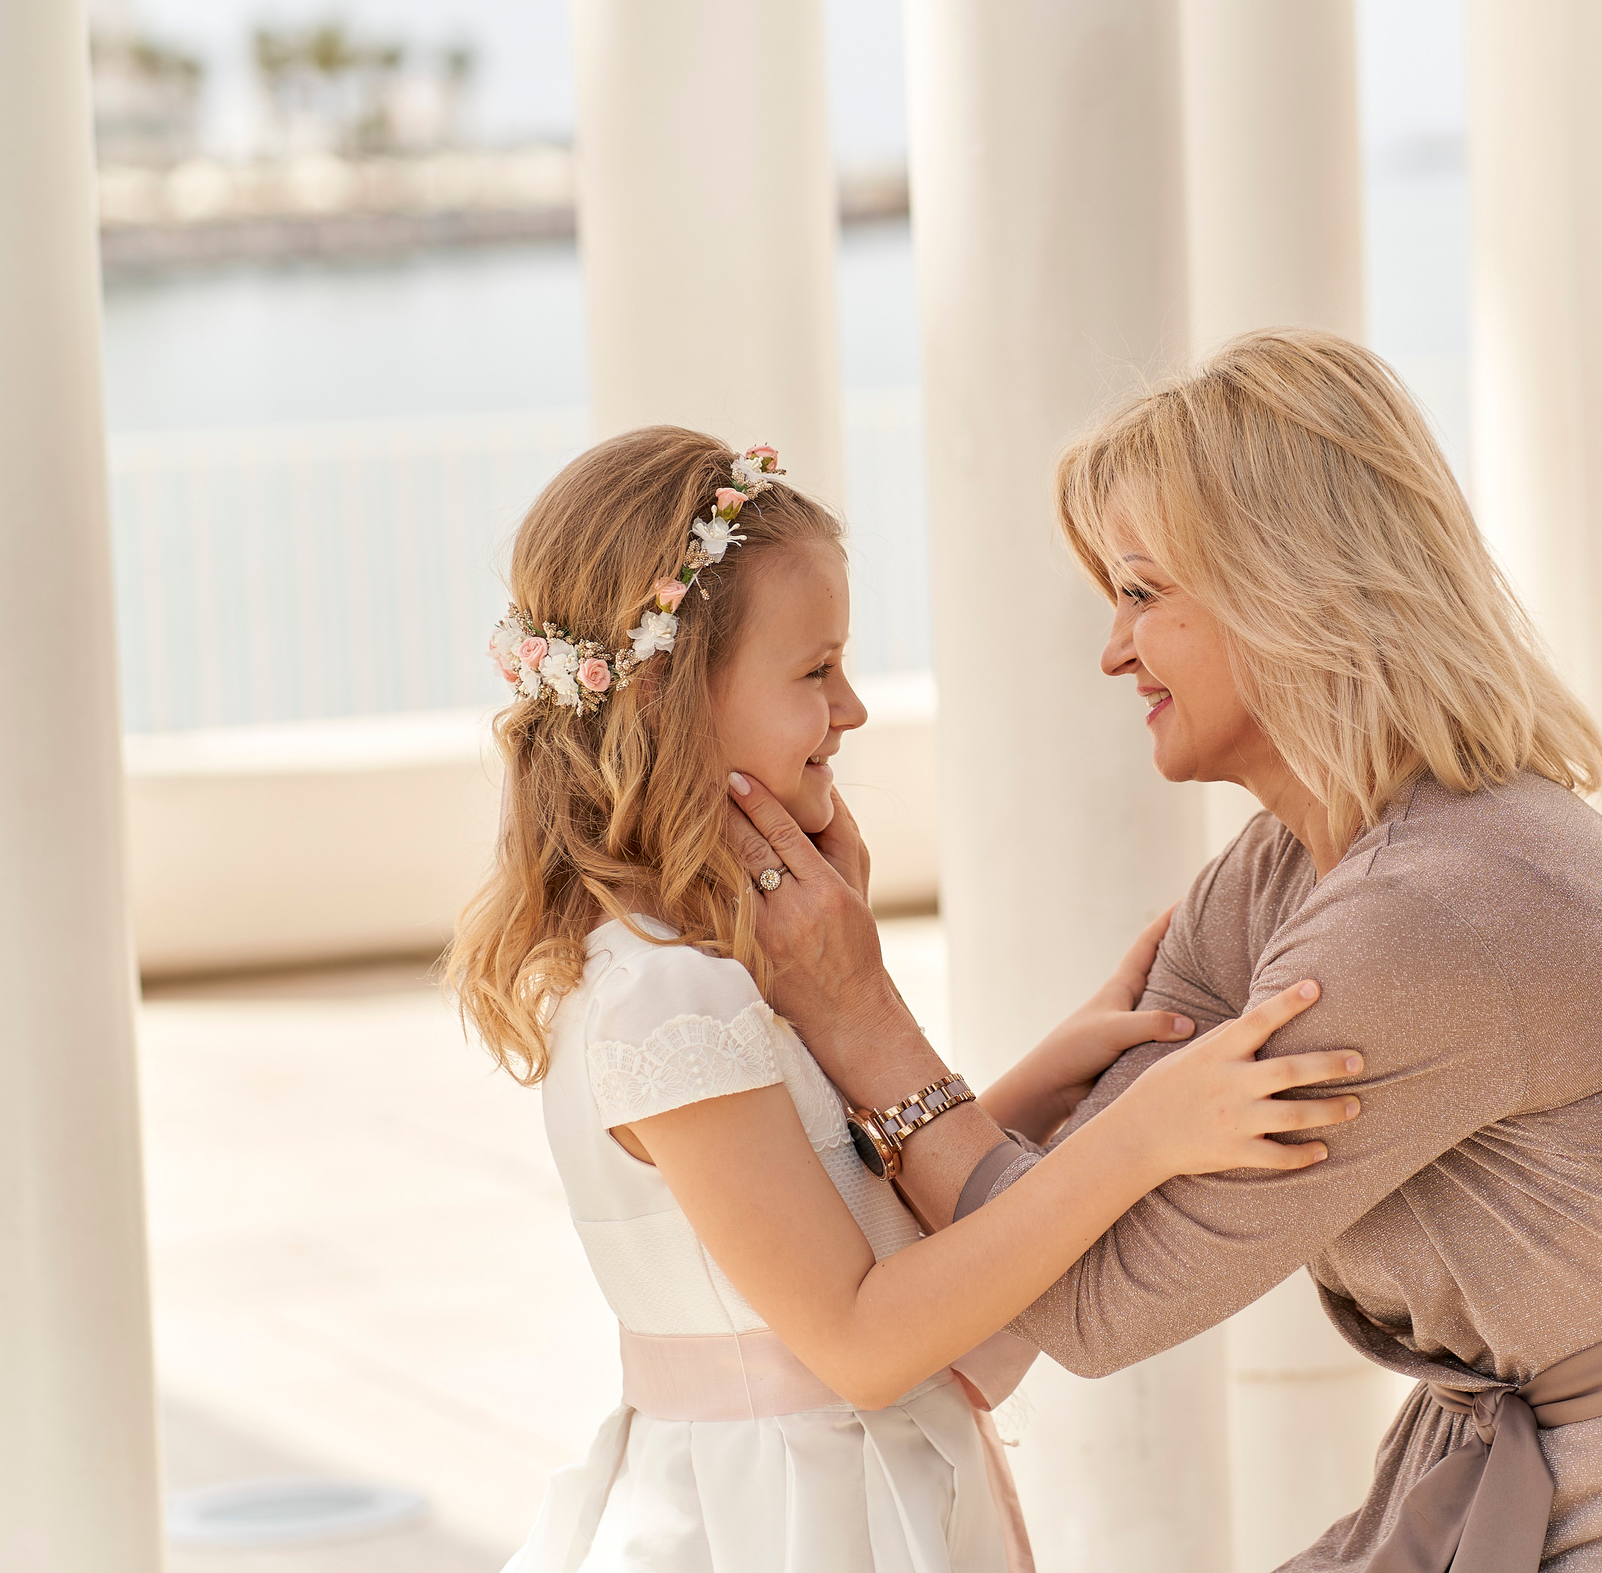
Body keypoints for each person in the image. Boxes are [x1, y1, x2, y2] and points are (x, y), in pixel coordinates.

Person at [723, 332, 1602, 1570]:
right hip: (1541, 1496)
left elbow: (1085, 1302)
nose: (1112, 650)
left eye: (1139, 594)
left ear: (1284, 587)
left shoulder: (1430, 914)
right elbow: (1056, 1209)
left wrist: (859, 1018)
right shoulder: (1291, 864)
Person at [449, 425, 1361, 1573]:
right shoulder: (664, 999)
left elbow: (836, 1188)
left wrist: (1042, 1086)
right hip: (794, 1525)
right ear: (671, 697)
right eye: (814, 671)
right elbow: (861, 1339)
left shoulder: (703, 962)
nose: (853, 708)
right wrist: (1144, 1134)